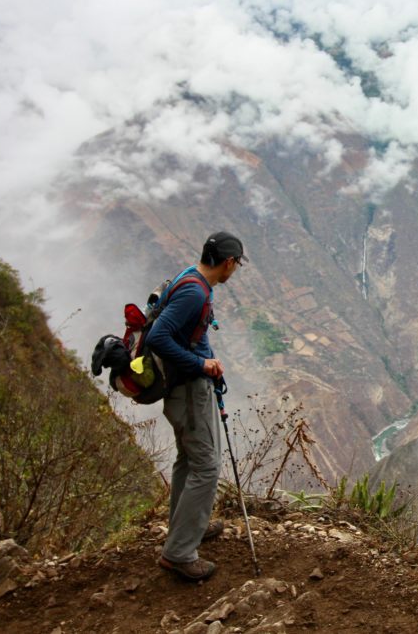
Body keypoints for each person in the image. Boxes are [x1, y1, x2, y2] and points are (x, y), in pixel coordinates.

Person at [148, 231, 247, 581]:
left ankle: (189, 527)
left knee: (188, 460)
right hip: (188, 390)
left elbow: (187, 334)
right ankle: (179, 553)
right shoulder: (194, 291)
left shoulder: (190, 276)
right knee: (206, 465)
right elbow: (157, 337)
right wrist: (201, 365)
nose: (234, 271)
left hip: (184, 386)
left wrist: (206, 358)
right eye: (236, 265)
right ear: (228, 263)